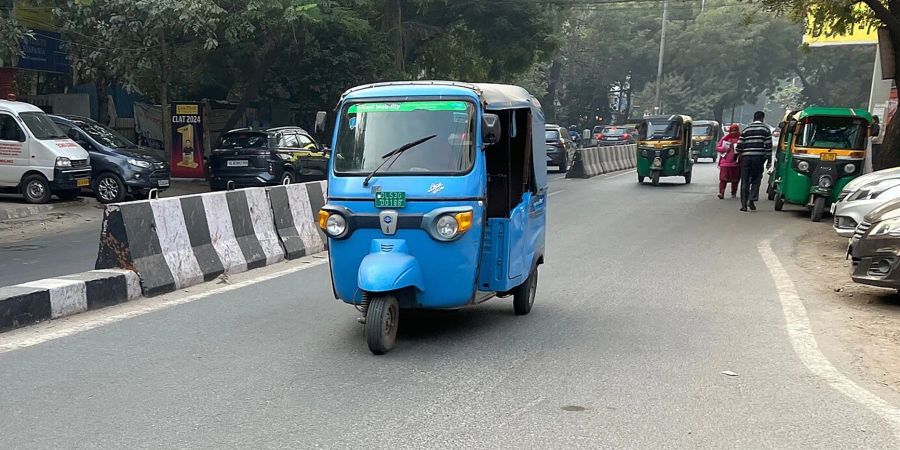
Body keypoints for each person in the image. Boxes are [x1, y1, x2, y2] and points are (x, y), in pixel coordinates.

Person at [736, 111, 773, 212]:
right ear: (762, 118)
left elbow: (739, 145)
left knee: (745, 180)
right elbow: (768, 146)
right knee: (756, 179)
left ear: (753, 118)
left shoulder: (746, 129)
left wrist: (739, 154)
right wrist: (769, 160)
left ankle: (743, 205)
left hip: (746, 158)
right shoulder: (765, 129)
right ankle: (752, 198)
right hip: (759, 158)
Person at [716, 124, 741, 199]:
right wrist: (724, 149)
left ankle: (733, 193)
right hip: (725, 163)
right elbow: (718, 147)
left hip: (736, 163)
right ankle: (721, 193)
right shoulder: (725, 138)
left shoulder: (740, 139)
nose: (733, 132)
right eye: (732, 131)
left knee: (735, 180)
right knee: (723, 179)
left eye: (735, 131)